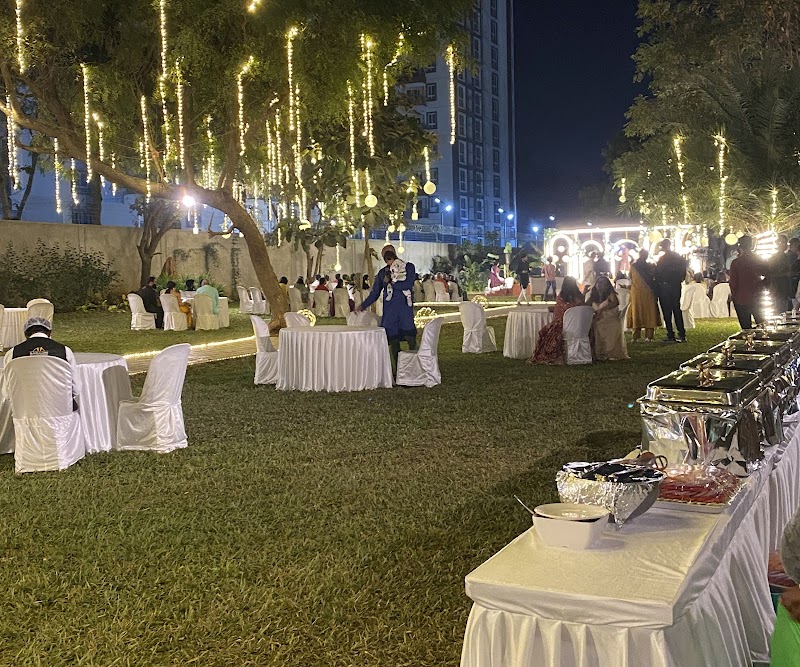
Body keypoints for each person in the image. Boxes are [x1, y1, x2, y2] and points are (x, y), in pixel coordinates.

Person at [4, 317, 80, 411]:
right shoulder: (65, 351)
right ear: (49, 332)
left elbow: (7, 393)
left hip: (25, 414)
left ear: (26, 334)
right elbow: (76, 389)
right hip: (60, 414)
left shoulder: (12, 353)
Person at [359, 245, 417, 369]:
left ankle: (416, 367)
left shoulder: (408, 267)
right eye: (385, 254)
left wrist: (392, 283)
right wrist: (363, 305)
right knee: (394, 343)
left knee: (410, 339)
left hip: (404, 311)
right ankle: (398, 369)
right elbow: (375, 293)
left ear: (394, 253)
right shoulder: (382, 273)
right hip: (390, 313)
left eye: (389, 253)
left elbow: (408, 284)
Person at [528, 277, 584, 364]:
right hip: (581, 326)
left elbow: (563, 312)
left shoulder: (561, 298)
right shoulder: (580, 297)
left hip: (564, 325)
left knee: (546, 332)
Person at [729, 235, 767, 329]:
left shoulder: (736, 262)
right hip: (757, 296)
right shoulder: (758, 260)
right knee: (761, 324)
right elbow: (767, 275)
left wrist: (733, 295)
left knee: (745, 327)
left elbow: (733, 283)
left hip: (741, 297)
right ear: (751, 245)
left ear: (740, 246)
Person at [655, 239, 688, 342]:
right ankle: (681, 333)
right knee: (676, 309)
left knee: (667, 312)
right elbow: (683, 272)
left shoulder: (663, 259)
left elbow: (658, 273)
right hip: (676, 286)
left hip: (665, 286)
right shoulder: (678, 258)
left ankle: (671, 334)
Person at [589, 275, 628, 360]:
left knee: (597, 324)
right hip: (598, 318)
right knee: (593, 324)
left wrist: (602, 310)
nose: (600, 285)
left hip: (610, 318)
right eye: (598, 283)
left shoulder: (611, 294)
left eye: (603, 283)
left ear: (607, 285)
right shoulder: (593, 296)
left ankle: (608, 352)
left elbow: (615, 303)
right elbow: (585, 305)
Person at [627, 250, 661, 342]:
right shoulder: (650, 266)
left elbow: (630, 277)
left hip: (637, 292)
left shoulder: (633, 266)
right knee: (649, 312)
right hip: (648, 292)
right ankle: (649, 336)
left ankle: (636, 336)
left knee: (637, 312)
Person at [768, 235, 794, 313]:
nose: (784, 245)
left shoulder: (789, 257)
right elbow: (770, 274)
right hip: (778, 289)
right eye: (781, 242)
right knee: (779, 310)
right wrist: (785, 274)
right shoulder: (774, 258)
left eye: (785, 243)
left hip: (787, 290)